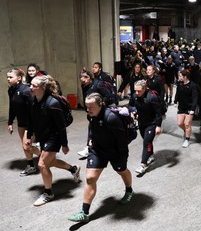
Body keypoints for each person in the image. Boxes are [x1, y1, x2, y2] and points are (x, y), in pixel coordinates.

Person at [68, 93, 134, 223]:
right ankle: (84, 212)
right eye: (87, 106)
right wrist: (89, 141)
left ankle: (129, 190)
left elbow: (122, 139)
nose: (88, 109)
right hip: (98, 150)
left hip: (116, 151)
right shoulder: (91, 115)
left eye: (91, 106)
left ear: (101, 105)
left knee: (121, 171)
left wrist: (122, 155)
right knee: (90, 178)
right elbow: (91, 127)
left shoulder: (111, 118)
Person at [26, 75, 80, 206]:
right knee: (51, 162)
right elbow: (31, 120)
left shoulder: (52, 103)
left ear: (43, 87)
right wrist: (29, 136)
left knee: (42, 164)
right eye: (30, 84)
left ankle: (48, 193)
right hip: (43, 136)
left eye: (34, 85)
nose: (30, 87)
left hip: (54, 137)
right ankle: (73, 169)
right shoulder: (34, 101)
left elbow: (61, 126)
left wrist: (64, 144)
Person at [7, 68, 40, 176]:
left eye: (11, 77)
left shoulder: (26, 90)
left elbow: (35, 108)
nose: (8, 79)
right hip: (21, 123)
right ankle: (31, 165)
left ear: (19, 78)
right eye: (7, 77)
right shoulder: (11, 90)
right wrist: (10, 122)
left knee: (26, 146)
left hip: (30, 123)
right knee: (25, 145)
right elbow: (12, 107)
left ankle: (45, 155)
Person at [77, 69, 117, 158]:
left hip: (103, 110)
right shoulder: (84, 85)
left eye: (84, 80)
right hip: (93, 111)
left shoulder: (99, 84)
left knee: (99, 127)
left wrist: (100, 106)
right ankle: (90, 147)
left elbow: (108, 96)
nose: (83, 82)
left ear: (89, 78)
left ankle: (93, 147)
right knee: (93, 127)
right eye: (81, 80)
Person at [129, 80, 162, 174]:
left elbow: (158, 113)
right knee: (147, 141)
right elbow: (130, 105)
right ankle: (150, 155)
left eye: (139, 91)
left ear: (144, 88)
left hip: (151, 123)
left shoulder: (152, 97)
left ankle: (143, 164)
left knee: (146, 142)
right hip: (141, 122)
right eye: (135, 90)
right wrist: (133, 111)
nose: (136, 93)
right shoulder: (135, 96)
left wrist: (158, 126)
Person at [174, 69, 198, 148]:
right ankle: (186, 131)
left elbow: (195, 98)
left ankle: (187, 139)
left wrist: (193, 109)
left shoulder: (192, 85)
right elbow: (177, 93)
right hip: (181, 107)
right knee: (180, 123)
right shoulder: (179, 84)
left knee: (187, 124)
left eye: (180, 76)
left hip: (189, 107)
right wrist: (175, 101)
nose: (179, 77)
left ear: (185, 77)